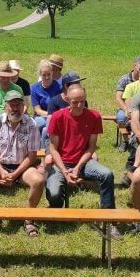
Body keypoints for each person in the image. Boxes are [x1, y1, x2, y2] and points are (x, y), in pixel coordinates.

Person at [46, 86, 116, 229]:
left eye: (82, 102)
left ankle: (109, 219)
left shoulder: (94, 116)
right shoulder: (57, 117)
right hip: (61, 163)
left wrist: (77, 168)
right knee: (53, 194)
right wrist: (65, 171)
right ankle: (57, 208)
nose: (79, 105)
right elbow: (53, 148)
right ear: (66, 100)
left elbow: (91, 148)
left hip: (83, 162)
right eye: (75, 102)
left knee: (107, 174)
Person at [0, 90, 44, 236]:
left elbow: (32, 154)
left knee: (39, 180)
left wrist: (15, 174)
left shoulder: (31, 124)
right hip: (0, 165)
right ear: (5, 106)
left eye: (18, 105)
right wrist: (2, 171)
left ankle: (29, 219)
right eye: (12, 105)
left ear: (23, 106)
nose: (15, 108)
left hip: (22, 166)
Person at [115, 56, 140, 134]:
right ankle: (125, 140)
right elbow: (118, 98)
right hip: (126, 107)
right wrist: (127, 110)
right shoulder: (124, 79)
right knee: (121, 117)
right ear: (135, 64)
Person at [30, 59, 62, 135]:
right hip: (40, 116)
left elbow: (62, 106)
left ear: (52, 73)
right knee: (41, 125)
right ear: (40, 74)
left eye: (49, 74)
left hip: (56, 116)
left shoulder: (59, 86)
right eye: (44, 75)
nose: (47, 77)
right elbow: (37, 110)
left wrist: (53, 117)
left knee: (46, 129)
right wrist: (50, 115)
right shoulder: (34, 88)